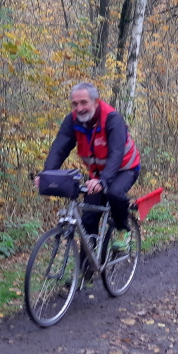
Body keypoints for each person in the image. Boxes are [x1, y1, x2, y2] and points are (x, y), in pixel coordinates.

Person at [39, 82, 141, 277]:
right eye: (74, 104)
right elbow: (60, 147)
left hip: (125, 169)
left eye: (83, 102)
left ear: (96, 101)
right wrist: (46, 175)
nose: (79, 108)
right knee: (88, 221)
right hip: (97, 174)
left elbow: (116, 153)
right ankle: (84, 275)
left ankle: (123, 229)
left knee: (114, 193)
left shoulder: (111, 118)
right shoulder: (72, 120)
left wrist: (103, 181)